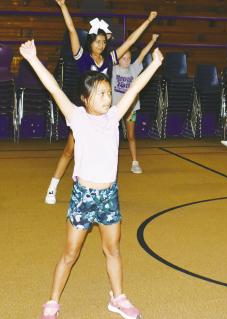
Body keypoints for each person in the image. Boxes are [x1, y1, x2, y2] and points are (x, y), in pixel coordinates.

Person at [19, 39, 163, 319]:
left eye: (108, 93)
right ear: (85, 99)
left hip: (108, 196)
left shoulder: (114, 116)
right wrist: (34, 58)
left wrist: (154, 64)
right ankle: (52, 302)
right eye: (100, 94)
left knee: (112, 250)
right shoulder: (76, 117)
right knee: (70, 254)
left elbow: (135, 87)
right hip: (83, 196)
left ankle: (118, 298)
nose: (107, 98)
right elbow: (53, 87)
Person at [45, 0, 157, 204]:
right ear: (90, 42)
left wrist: (148, 21)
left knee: (104, 150)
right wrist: (63, 7)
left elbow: (130, 42)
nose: (101, 45)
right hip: (84, 112)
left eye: (104, 42)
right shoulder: (82, 58)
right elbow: (71, 30)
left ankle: (101, 188)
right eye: (97, 42)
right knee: (70, 150)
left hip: (105, 113)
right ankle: (53, 187)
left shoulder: (110, 59)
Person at [112, 33, 159, 174]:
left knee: (131, 135)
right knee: (112, 136)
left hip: (130, 109)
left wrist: (152, 40)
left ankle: (135, 162)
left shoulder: (134, 69)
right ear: (118, 60)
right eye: (123, 58)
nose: (126, 61)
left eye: (128, 58)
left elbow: (144, 53)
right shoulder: (113, 70)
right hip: (114, 109)